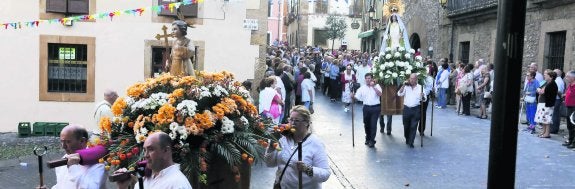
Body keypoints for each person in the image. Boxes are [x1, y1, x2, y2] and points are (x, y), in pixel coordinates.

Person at [264, 105, 331, 189]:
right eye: (291, 120)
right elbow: (269, 163)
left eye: (296, 120)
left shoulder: (315, 143)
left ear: (306, 123)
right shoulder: (283, 139)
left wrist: (307, 169)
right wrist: (272, 144)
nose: (292, 123)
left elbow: (325, 174)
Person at [117, 132, 192, 189]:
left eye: (151, 149)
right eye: (145, 150)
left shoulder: (178, 184)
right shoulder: (145, 179)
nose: (145, 155)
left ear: (166, 150)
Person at [53, 125, 106, 189]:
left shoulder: (98, 163)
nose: (63, 146)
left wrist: (73, 167)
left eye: (68, 142)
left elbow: (91, 187)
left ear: (82, 141)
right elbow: (60, 185)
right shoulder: (65, 158)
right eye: (62, 141)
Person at [352, 73, 382, 147]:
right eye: (367, 78)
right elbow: (357, 97)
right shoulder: (362, 88)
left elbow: (380, 94)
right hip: (366, 108)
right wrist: (353, 97)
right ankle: (367, 138)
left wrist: (373, 87)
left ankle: (372, 140)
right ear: (365, 79)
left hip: (375, 108)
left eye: (369, 78)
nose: (368, 80)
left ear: (372, 79)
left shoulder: (377, 86)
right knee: (366, 124)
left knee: (373, 125)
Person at [397, 74, 426, 148]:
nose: (412, 80)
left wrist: (422, 96)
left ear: (416, 79)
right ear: (409, 79)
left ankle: (411, 141)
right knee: (406, 126)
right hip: (406, 109)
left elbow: (424, 99)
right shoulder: (406, 86)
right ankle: (407, 138)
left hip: (416, 109)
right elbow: (399, 94)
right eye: (411, 78)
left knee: (413, 126)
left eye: (413, 79)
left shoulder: (420, 87)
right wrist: (403, 85)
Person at [535, 70, 558, 138]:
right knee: (543, 118)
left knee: (546, 119)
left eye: (546, 75)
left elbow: (542, 92)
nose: (544, 76)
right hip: (543, 103)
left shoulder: (552, 84)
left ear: (551, 77)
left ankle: (547, 133)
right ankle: (544, 132)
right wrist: (540, 90)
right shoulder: (547, 83)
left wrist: (540, 91)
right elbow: (540, 90)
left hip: (547, 104)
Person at [551, 69, 565, 134]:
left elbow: (558, 91)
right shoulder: (558, 80)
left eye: (553, 73)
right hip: (556, 99)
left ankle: (554, 129)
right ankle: (554, 128)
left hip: (557, 99)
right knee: (555, 114)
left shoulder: (558, 81)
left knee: (555, 115)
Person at [563, 71, 575, 148]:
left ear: (573, 78)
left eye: (567, 77)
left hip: (573, 108)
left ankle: (574, 143)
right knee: (569, 125)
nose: (566, 78)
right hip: (568, 107)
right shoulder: (570, 85)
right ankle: (570, 140)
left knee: (573, 125)